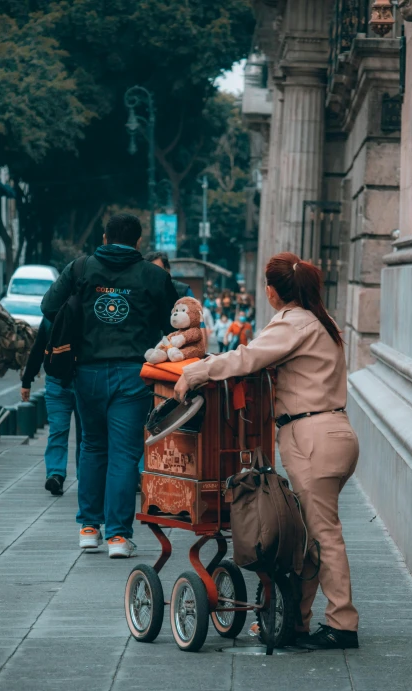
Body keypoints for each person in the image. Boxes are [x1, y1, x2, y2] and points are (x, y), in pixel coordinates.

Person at [174, 251, 360, 650]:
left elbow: (247, 357)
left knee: (322, 534)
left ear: (274, 292)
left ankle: (343, 624)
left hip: (313, 438)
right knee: (309, 535)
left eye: (266, 285)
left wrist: (196, 371)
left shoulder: (295, 323)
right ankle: (297, 622)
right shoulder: (319, 322)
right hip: (332, 435)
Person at [42, 213, 178, 558]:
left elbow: (48, 306)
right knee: (124, 454)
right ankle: (118, 536)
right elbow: (172, 321)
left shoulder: (81, 268)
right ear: (138, 242)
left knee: (91, 447)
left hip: (86, 371)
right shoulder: (153, 275)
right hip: (133, 373)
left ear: (104, 238)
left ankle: (89, 529)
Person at [21, 316, 82, 496]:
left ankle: (57, 474)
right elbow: (39, 347)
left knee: (59, 430)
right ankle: (78, 477)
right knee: (85, 434)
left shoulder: (51, 316)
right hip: (82, 379)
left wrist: (27, 381)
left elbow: (38, 349)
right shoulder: (88, 308)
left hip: (60, 380)